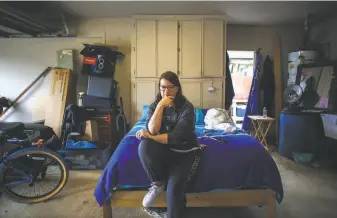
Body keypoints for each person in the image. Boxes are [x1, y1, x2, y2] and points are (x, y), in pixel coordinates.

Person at [136, 71, 202, 218]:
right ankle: (157, 183)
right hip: (163, 151)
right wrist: (160, 106)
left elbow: (175, 137)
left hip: (184, 153)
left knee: (173, 193)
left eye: (170, 87)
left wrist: (150, 136)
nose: (166, 92)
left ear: (177, 88)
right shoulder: (155, 106)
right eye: (162, 88)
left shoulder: (187, 107)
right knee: (144, 146)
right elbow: (152, 129)